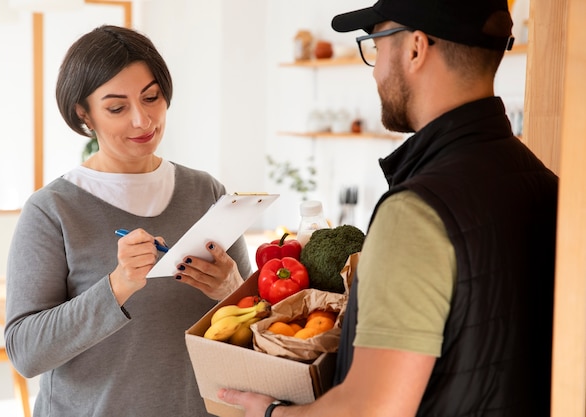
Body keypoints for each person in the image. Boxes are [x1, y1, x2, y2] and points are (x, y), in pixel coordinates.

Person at [219, 1, 558, 416]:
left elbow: (371, 409)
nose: (376, 70)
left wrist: (273, 414)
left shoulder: (417, 212)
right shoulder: (546, 184)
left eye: (376, 45)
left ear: (416, 48)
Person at [4, 25, 252, 417]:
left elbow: (253, 316)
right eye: (117, 108)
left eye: (151, 98)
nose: (143, 120)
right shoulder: (51, 210)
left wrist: (231, 289)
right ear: (83, 113)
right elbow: (25, 353)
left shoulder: (207, 192)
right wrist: (116, 288)